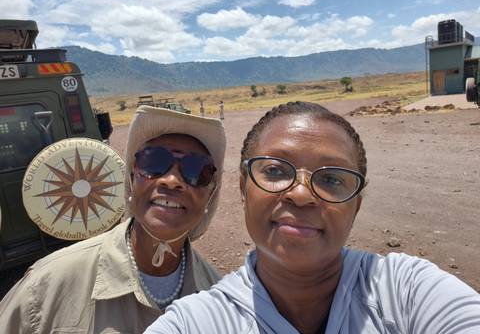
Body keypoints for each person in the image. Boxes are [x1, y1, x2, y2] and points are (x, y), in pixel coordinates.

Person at [145, 101, 480, 334]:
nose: (301, 194)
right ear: (244, 188)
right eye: (275, 170)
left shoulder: (407, 292)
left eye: (331, 178)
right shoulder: (199, 322)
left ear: (356, 205)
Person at [0, 106, 226, 333]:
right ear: (131, 179)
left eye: (196, 169)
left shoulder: (220, 300)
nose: (171, 180)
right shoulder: (46, 287)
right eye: (154, 162)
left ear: (210, 195)